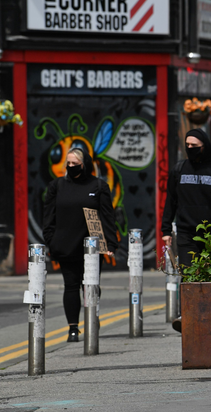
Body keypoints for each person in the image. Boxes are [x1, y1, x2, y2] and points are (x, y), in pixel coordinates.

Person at [161, 128, 211, 332]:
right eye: (188, 146)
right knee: (189, 273)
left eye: (196, 146)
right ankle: (188, 314)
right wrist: (166, 229)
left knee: (210, 274)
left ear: (205, 146)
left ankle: (210, 314)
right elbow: (171, 202)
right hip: (186, 233)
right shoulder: (178, 170)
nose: (191, 149)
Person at [43, 147, 118, 343]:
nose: (70, 167)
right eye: (68, 164)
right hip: (65, 245)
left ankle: (92, 318)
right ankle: (73, 328)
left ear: (85, 164)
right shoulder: (57, 186)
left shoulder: (99, 186)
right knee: (71, 286)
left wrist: (111, 243)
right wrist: (50, 240)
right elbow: (49, 216)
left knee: (91, 285)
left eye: (75, 164)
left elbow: (107, 216)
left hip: (92, 246)